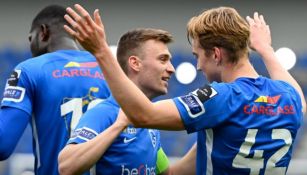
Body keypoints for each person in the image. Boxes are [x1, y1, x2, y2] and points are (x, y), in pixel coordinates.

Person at [65, 4, 306, 175]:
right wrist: (265, 48)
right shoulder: (288, 97)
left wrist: (101, 52)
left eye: (198, 56)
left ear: (216, 54)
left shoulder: (221, 97)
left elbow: (143, 115)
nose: (198, 66)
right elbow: (300, 100)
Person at [58, 28, 196, 175]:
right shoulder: (104, 113)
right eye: (163, 59)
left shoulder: (150, 123)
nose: (171, 69)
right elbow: (66, 166)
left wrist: (206, 137)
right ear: (135, 63)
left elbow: (168, 174)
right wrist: (118, 126)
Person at [0, 5, 110, 175]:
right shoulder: (111, 69)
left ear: (43, 32)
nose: (31, 48)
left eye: (31, 39)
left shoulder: (29, 70)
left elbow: (2, 145)